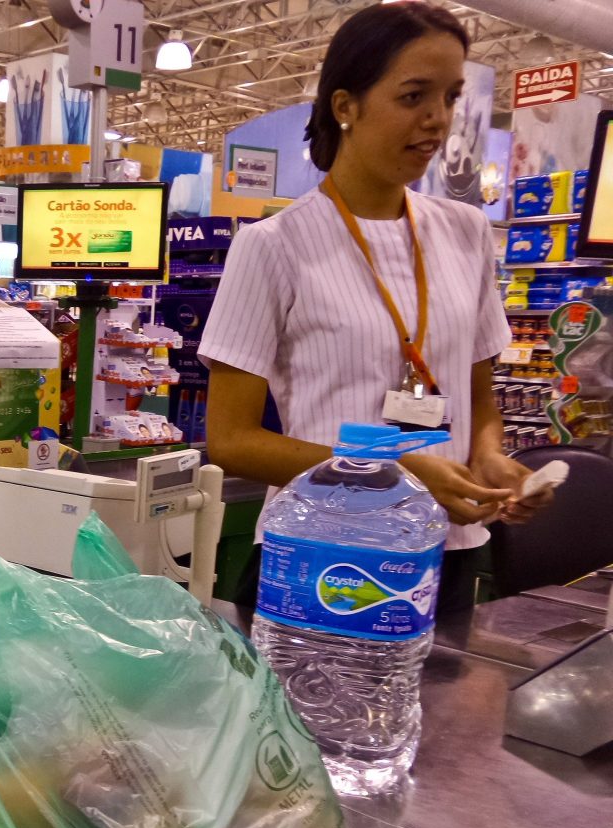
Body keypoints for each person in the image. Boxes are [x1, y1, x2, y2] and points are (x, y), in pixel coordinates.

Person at [198, 2, 552, 615]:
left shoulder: (467, 233)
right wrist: (394, 471)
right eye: (414, 96)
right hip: (323, 558)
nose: (437, 121)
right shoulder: (274, 245)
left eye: (450, 97)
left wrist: (492, 459)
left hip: (447, 549)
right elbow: (231, 439)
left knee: (443, 712)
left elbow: (478, 402)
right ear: (346, 107)